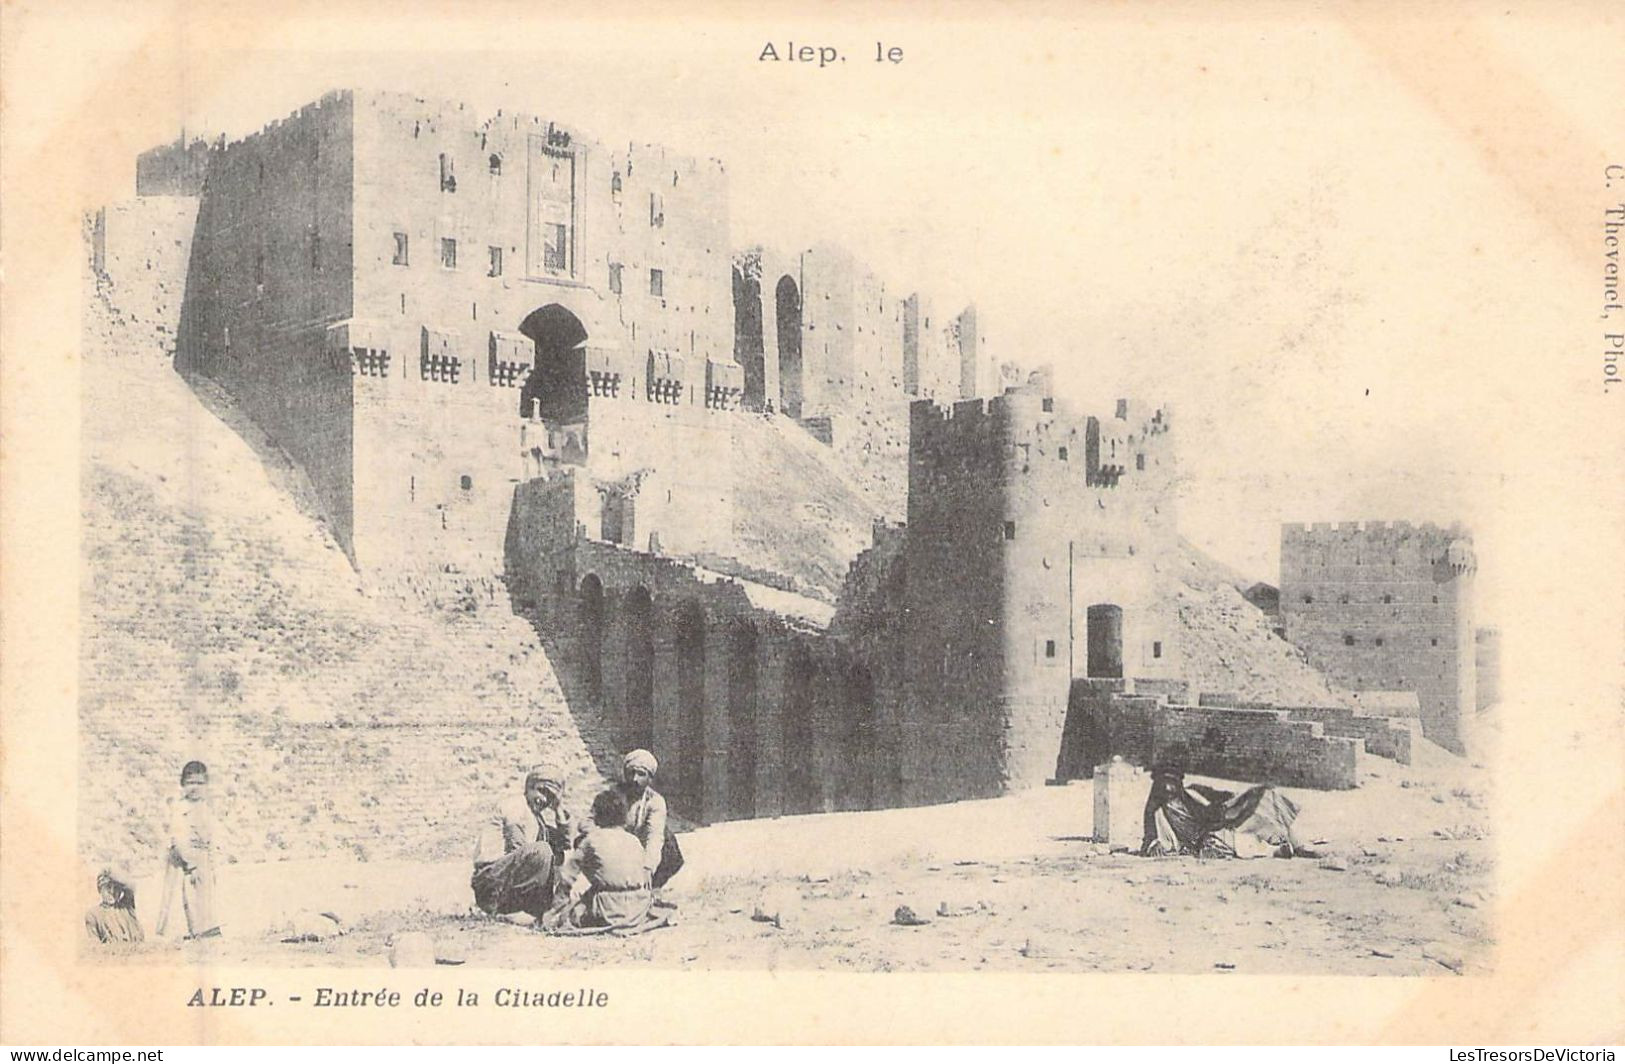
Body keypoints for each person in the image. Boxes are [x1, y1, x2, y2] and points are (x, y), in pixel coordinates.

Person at [471, 763, 576, 920]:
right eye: (541, 791)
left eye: (550, 796)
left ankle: (539, 909)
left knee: (555, 851)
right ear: (529, 787)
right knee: (542, 851)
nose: (544, 799)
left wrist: (558, 809)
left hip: (505, 877)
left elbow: (565, 843)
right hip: (491, 881)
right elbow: (517, 847)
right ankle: (516, 909)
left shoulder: (536, 817)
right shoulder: (515, 806)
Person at [1140, 765, 1312, 859]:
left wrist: (1242, 799)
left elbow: (1222, 797)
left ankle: (1299, 845)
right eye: (1164, 783)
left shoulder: (1194, 792)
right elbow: (1151, 833)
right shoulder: (1158, 812)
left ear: (1178, 784)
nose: (1168, 788)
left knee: (1267, 796)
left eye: (1172, 783)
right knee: (1226, 840)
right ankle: (1275, 851)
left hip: (1225, 820)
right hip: (1210, 836)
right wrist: (1153, 842)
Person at [544, 788, 652, 930]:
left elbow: (567, 877)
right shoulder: (634, 840)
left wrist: (555, 909)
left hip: (608, 909)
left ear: (597, 815)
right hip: (639, 908)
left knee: (571, 914)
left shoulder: (592, 840)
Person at [155, 760, 221, 939]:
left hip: (202, 858)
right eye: (190, 783)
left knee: (205, 896)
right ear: (183, 785)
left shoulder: (205, 808)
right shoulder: (180, 808)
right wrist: (190, 864)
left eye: (200, 783)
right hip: (184, 861)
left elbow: (211, 837)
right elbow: (178, 839)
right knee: (184, 896)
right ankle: (185, 931)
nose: (195, 788)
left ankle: (206, 927)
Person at [618, 749, 682, 888]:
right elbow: (590, 821)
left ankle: (651, 889)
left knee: (669, 842)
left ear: (650, 779)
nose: (635, 779)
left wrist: (648, 868)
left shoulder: (655, 801)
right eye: (631, 773)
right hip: (616, 845)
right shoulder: (612, 794)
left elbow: (654, 836)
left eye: (641, 774)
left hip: (641, 844)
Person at [85, 868, 144, 945]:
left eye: (116, 888)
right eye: (108, 888)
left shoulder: (125, 907)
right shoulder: (93, 914)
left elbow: (131, 886)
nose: (112, 892)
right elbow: (95, 945)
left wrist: (113, 873)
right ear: (100, 889)